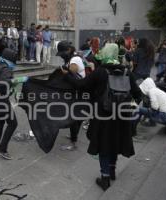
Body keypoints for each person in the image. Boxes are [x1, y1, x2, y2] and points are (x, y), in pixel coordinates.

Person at [62, 43, 142, 191]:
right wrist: (127, 107)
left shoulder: (100, 72)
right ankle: (112, 170)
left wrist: (67, 76)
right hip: (122, 117)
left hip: (103, 116)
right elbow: (139, 95)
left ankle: (105, 178)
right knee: (116, 142)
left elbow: (81, 85)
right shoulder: (127, 72)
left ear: (105, 54)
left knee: (104, 145)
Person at [0, 48, 18, 160]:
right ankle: (2, 148)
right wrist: (16, 81)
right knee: (13, 123)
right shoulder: (6, 69)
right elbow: (4, 83)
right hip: (0, 99)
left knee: (0, 119)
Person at [55, 41, 86, 151]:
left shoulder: (75, 60)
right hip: (77, 92)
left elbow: (73, 79)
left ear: (68, 50)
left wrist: (65, 74)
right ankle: (74, 136)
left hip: (78, 93)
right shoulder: (72, 59)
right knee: (76, 117)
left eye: (62, 53)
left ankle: (73, 143)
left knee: (73, 117)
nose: (61, 55)